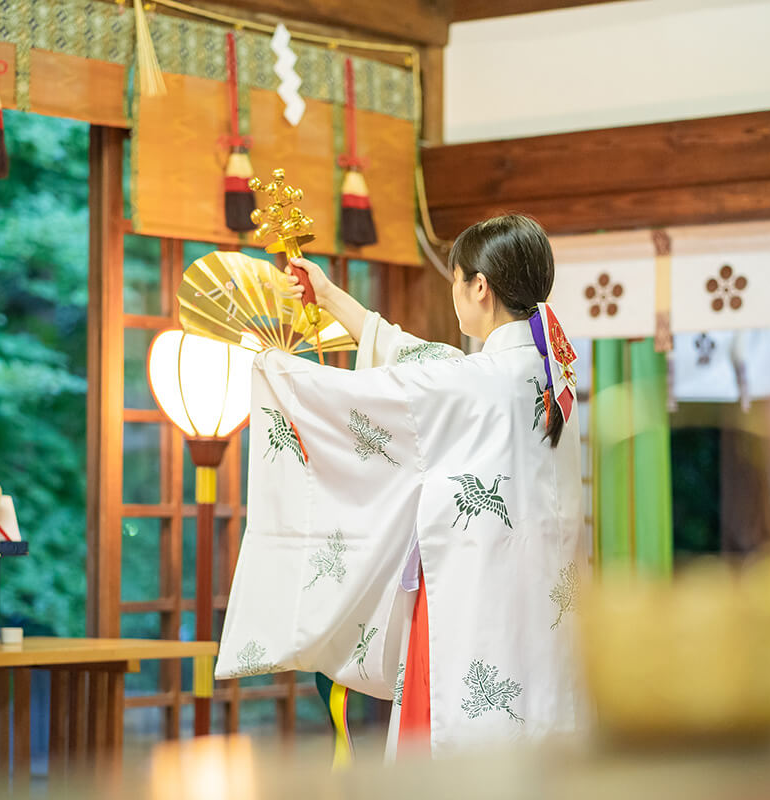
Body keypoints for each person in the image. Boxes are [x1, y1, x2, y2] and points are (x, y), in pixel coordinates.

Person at [215, 214, 587, 758]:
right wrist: (328, 294)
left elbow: (397, 391)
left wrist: (279, 371)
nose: (456, 295)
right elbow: (421, 358)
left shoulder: (478, 380)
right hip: (541, 609)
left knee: (459, 744)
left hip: (470, 598)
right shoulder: (548, 375)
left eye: (456, 281)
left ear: (479, 286)